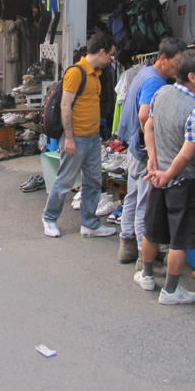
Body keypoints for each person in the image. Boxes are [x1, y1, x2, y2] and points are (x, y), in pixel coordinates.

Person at [135, 49, 195, 304]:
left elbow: (149, 125)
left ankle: (146, 276)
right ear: (192, 76)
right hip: (181, 181)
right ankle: (170, 290)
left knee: (152, 230)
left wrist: (153, 160)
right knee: (179, 239)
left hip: (158, 177)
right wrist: (167, 173)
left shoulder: (162, 93)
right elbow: (187, 154)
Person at [116, 37, 186, 265]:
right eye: (177, 61)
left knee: (133, 196)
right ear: (163, 59)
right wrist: (154, 149)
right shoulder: (154, 81)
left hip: (134, 146)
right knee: (145, 203)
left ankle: (127, 245)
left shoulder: (143, 73)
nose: (180, 67)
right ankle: (142, 253)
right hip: (143, 149)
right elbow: (144, 115)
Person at [41, 32, 118, 239]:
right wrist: (70, 139)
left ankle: (90, 224)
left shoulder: (97, 73)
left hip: (92, 138)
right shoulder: (76, 72)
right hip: (76, 138)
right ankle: (49, 218)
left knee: (93, 181)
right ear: (101, 52)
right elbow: (66, 106)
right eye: (110, 54)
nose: (111, 59)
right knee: (65, 181)